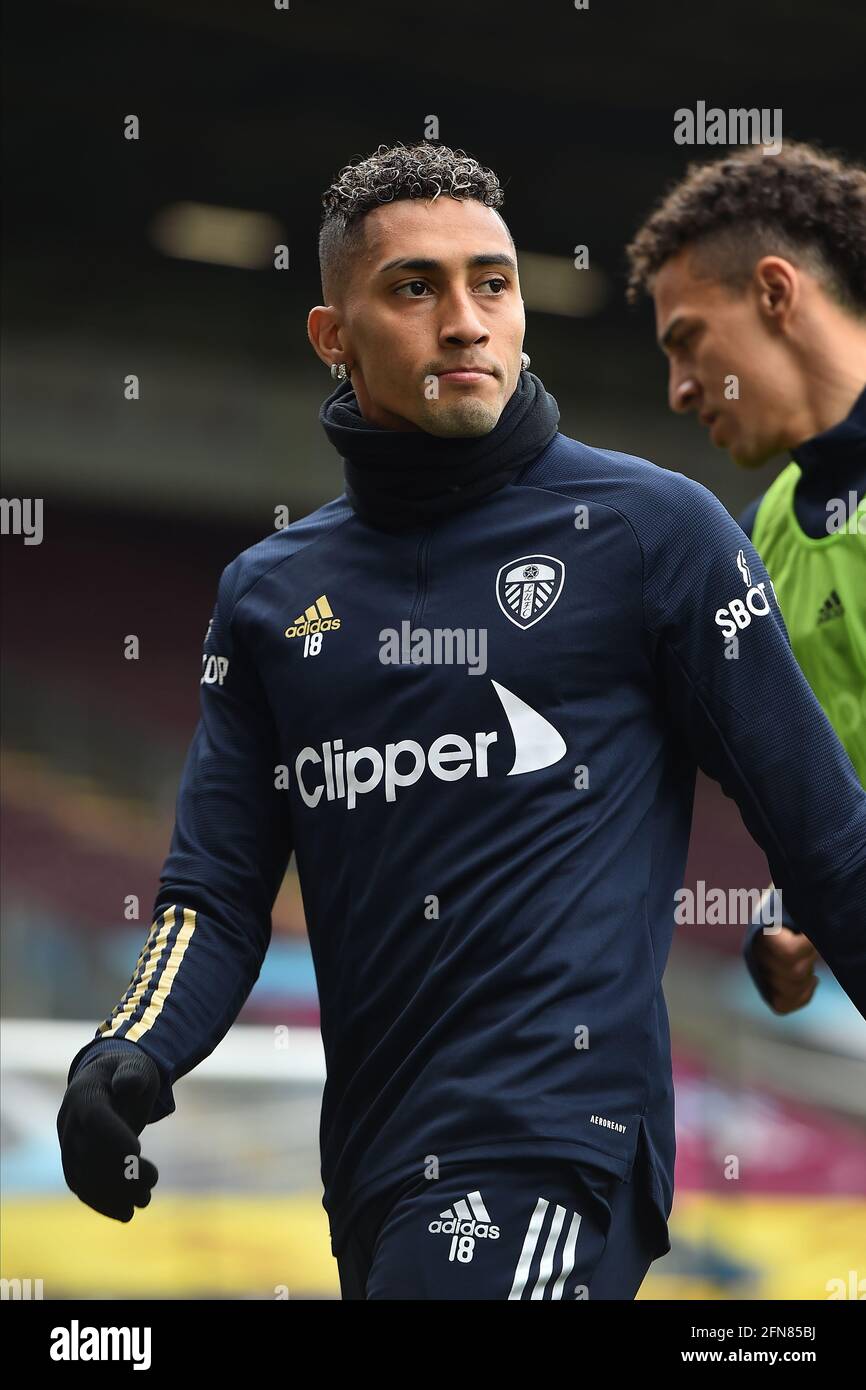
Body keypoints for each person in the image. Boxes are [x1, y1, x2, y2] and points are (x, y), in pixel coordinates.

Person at [57, 141, 866, 1300]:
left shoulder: (657, 536)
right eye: (413, 287)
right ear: (332, 338)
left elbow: (827, 840)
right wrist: (129, 1047)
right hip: (376, 1173)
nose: (466, 321)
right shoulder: (270, 597)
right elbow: (215, 893)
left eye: (492, 282)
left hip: (558, 1142)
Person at [625, 141, 866, 1015]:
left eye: (688, 342)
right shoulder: (756, 540)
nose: (681, 391)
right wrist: (794, 911)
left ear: (775, 292)